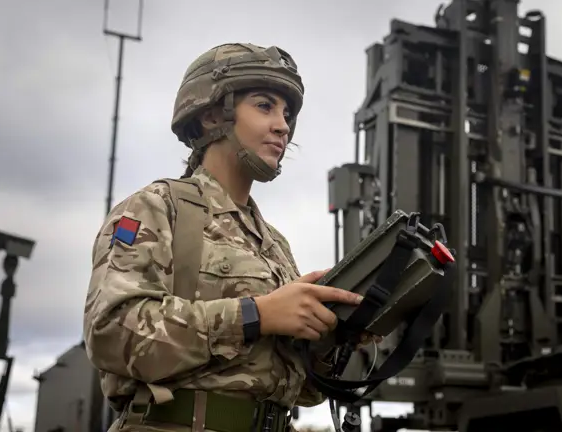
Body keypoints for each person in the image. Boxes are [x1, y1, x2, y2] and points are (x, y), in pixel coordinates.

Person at [83, 42, 375, 432]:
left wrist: (328, 336)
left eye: (286, 114)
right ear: (210, 116)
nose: (283, 125)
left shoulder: (273, 243)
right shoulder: (157, 207)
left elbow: (303, 391)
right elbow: (110, 333)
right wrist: (255, 315)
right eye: (264, 106)